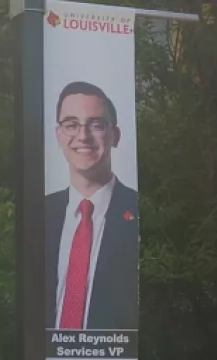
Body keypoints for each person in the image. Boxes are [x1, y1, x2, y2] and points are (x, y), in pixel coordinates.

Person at [45, 82, 140, 331]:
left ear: (115, 135)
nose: (83, 136)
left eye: (96, 125)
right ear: (58, 134)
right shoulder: (38, 215)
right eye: (71, 124)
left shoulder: (141, 212)